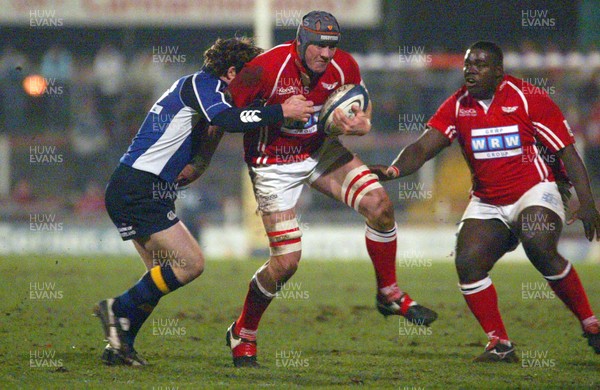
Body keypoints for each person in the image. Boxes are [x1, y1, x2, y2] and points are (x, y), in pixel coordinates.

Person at [224, 10, 437, 368]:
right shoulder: (266, 67)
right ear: (301, 42)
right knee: (286, 263)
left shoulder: (344, 67)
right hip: (272, 163)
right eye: (319, 47)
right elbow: (226, 115)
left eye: (332, 47)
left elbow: (361, 111)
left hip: (320, 151)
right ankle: (242, 332)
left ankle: (388, 292)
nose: (326, 54)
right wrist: (277, 112)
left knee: (380, 205)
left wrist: (359, 125)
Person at [370, 41, 600, 362]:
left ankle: (591, 324)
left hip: (535, 191)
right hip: (488, 200)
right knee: (468, 263)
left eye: (480, 65)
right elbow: (423, 147)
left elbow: (567, 152)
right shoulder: (456, 105)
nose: (470, 71)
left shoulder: (528, 97)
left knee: (538, 245)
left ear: (499, 72)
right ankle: (500, 344)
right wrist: (394, 169)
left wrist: (586, 202)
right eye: (467, 65)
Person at [94, 37, 314, 366]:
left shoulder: (210, 92)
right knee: (191, 263)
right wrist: (282, 110)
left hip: (140, 186)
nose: (254, 84)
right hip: (139, 187)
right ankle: (118, 309)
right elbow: (227, 120)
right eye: (250, 77)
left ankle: (119, 345)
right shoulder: (202, 83)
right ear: (230, 72)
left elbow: (216, 129)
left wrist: (200, 162)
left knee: (158, 275)